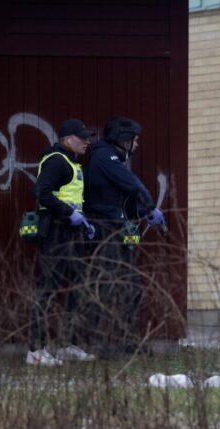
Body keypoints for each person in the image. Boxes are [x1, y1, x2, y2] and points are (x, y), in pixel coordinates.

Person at [84, 116, 164, 357]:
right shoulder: (104, 157)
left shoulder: (112, 159)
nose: (137, 145)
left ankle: (128, 341)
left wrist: (142, 213)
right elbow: (132, 184)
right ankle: (98, 344)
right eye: (135, 140)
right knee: (110, 286)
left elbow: (117, 202)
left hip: (116, 228)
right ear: (123, 138)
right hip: (105, 231)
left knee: (130, 287)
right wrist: (150, 206)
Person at [27, 119, 97, 366]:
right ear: (68, 139)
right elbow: (41, 193)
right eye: (82, 138)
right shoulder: (57, 161)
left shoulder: (72, 162)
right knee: (47, 290)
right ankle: (36, 350)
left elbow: (71, 197)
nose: (87, 142)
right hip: (56, 232)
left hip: (71, 233)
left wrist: (83, 222)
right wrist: (69, 214)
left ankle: (68, 344)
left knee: (77, 288)